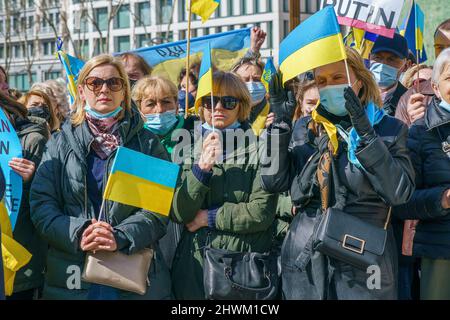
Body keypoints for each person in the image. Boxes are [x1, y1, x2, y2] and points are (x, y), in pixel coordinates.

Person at [260, 47, 415, 300]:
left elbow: (399, 193)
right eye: (322, 81)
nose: (329, 86)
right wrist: (280, 124)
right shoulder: (306, 127)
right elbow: (272, 181)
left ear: (360, 81)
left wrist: (367, 137)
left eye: (337, 78)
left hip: (364, 258)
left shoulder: (390, 129)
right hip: (306, 258)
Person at [29, 54, 172, 300]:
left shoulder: (147, 143)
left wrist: (120, 236)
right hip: (71, 277)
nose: (104, 89)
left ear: (124, 92)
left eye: (114, 83)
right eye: (95, 83)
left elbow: (157, 211)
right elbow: (42, 206)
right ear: (82, 91)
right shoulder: (59, 143)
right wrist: (80, 231)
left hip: (131, 275)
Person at [170, 71, 278, 299]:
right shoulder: (186, 149)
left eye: (228, 101)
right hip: (194, 270)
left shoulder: (262, 150)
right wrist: (201, 169)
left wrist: (208, 218)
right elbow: (180, 212)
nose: (218, 107)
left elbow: (261, 212)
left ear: (241, 106)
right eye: (210, 101)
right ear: (201, 107)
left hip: (243, 271)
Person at [394, 48, 450, 300]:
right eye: (449, 78)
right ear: (436, 88)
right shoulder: (420, 132)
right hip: (441, 251)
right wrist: (443, 199)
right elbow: (404, 201)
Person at [132, 75, 197, 269]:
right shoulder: (131, 140)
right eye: (150, 104)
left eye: (166, 102)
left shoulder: (196, 134)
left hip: (187, 227)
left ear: (177, 104)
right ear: (138, 109)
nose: (160, 110)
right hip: (145, 228)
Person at [0, 85, 49, 300]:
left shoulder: (32, 140)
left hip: (18, 259)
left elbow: (50, 204)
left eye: (3, 81)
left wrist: (32, 181)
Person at [398, 19, 450, 126]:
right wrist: (413, 126)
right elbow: (398, 141)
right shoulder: (411, 97)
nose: (445, 53)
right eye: (439, 47)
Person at [369, 33, 409, 116]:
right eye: (377, 57)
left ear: (405, 65)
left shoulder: (409, 101)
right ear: (369, 58)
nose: (383, 65)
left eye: (391, 59)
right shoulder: (355, 94)